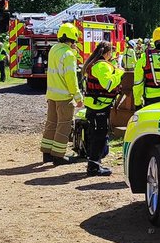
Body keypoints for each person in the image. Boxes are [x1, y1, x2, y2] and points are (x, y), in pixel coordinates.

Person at [40, 22, 83, 164]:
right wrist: (78, 96)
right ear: (73, 39)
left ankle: (47, 153)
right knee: (63, 126)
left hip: (51, 95)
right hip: (64, 97)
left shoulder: (53, 49)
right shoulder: (69, 54)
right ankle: (58, 156)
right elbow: (71, 78)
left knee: (51, 123)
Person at [82, 43, 122, 176]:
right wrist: (119, 73)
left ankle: (94, 164)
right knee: (99, 135)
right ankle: (94, 167)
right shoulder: (102, 65)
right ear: (107, 53)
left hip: (94, 104)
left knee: (95, 135)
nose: (112, 56)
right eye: (111, 52)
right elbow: (108, 84)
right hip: (99, 105)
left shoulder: (94, 64)